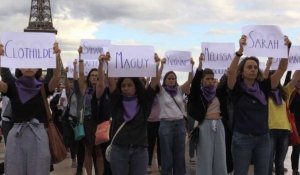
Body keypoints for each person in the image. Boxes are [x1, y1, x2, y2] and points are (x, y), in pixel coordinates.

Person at [227, 35, 291, 175]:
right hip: (242, 139)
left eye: (255, 67)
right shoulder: (237, 88)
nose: (253, 69)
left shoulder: (264, 86)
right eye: (249, 67)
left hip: (263, 139)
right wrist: (240, 51)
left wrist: (286, 50)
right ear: (242, 71)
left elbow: (281, 70)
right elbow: (231, 72)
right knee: (241, 172)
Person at [0, 42, 61, 175]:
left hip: (39, 134)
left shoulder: (43, 87)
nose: (29, 67)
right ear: (19, 67)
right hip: (16, 135)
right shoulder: (12, 86)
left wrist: (56, 56)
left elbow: (56, 77)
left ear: (39, 67)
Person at [98, 52, 159, 175]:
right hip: (119, 150)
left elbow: (155, 81)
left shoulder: (144, 104)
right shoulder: (116, 102)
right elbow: (110, 81)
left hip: (140, 150)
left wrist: (156, 65)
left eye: (129, 85)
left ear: (136, 87)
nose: (126, 88)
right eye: (123, 85)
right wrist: (103, 64)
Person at [188, 53, 227, 175]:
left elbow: (227, 81)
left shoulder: (219, 92)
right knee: (205, 159)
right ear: (202, 80)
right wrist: (200, 65)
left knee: (220, 158)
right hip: (204, 126)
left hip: (219, 126)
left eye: (212, 78)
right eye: (207, 79)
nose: (210, 81)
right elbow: (194, 84)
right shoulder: (198, 93)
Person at [263, 58, 300, 175]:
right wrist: (268, 65)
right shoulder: (264, 92)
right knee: (268, 161)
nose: (276, 78)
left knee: (280, 162)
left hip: (285, 131)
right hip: (270, 130)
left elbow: (295, 79)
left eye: (278, 77)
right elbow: (263, 79)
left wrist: (298, 64)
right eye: (273, 76)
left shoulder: (285, 91)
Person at [158, 57, 194, 175]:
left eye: (174, 78)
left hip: (179, 124)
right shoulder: (161, 91)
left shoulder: (179, 90)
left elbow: (190, 80)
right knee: (167, 156)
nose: (172, 80)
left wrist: (191, 67)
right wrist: (161, 66)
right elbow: (156, 79)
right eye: (169, 78)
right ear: (165, 80)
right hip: (166, 125)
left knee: (179, 156)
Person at [78, 47, 103, 175]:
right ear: (89, 78)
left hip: (99, 122)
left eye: (96, 76)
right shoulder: (85, 89)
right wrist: (80, 55)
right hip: (87, 121)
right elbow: (81, 74)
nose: (94, 77)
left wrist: (102, 63)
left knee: (99, 151)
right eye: (92, 75)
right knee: (88, 150)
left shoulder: (101, 89)